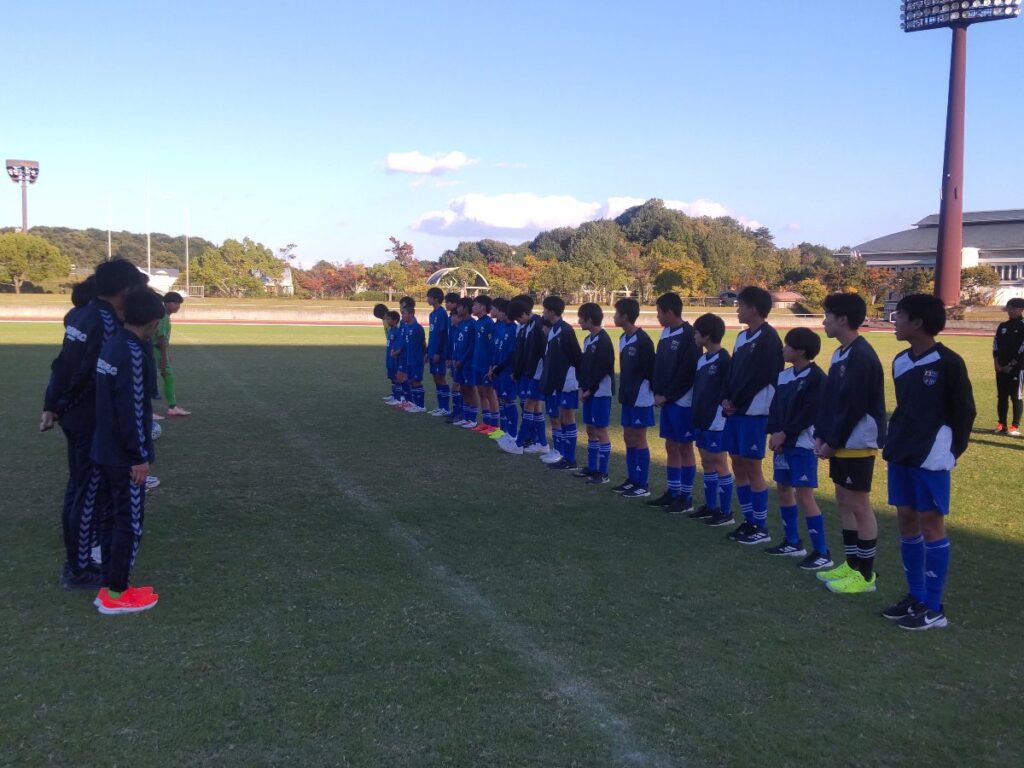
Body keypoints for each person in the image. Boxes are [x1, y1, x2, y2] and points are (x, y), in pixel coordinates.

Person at [41, 259, 148, 591]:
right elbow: (90, 377)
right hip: (89, 422)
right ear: (125, 290)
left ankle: (79, 559)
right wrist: (62, 405)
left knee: (77, 489)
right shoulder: (106, 324)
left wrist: (52, 405)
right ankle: (79, 568)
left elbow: (62, 364)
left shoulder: (81, 314)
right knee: (88, 494)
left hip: (74, 418)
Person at [882, 293, 976, 630]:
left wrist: (950, 451)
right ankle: (916, 596)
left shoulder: (949, 362)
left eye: (900, 315)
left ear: (918, 323)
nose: (895, 321)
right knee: (906, 519)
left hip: (931, 457)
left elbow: (965, 412)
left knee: (931, 524)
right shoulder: (900, 360)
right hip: (901, 452)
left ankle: (934, 608)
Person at [91, 288, 166, 614]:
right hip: (123, 456)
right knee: (129, 523)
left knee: (111, 520)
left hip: (105, 449)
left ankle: (110, 585)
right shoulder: (133, 353)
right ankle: (117, 593)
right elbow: (132, 409)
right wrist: (138, 457)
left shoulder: (112, 344)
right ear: (153, 322)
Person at [814, 292, 888, 594]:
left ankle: (866, 575)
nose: (824, 322)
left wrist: (832, 441)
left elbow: (853, 407)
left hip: (856, 441)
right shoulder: (840, 353)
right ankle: (852, 563)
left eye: (828, 316)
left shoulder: (862, 355)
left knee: (859, 504)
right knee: (843, 500)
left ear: (843, 319)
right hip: (838, 439)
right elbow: (830, 400)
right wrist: (821, 434)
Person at [722, 286, 784, 544]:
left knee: (752, 466)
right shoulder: (741, 337)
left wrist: (737, 402)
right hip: (734, 411)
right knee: (737, 462)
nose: (737, 310)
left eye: (741, 305)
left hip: (754, 413)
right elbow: (732, 371)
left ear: (754, 309)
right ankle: (748, 521)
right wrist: (725, 398)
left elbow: (761, 378)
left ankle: (761, 527)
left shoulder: (769, 339)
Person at [765, 328, 830, 567]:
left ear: (801, 351)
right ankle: (792, 542)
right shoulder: (783, 376)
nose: (783, 349)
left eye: (788, 346)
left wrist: (785, 434)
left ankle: (822, 552)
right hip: (782, 444)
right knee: (783, 489)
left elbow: (809, 413)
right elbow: (775, 407)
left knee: (804, 495)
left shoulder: (816, 378)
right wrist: (774, 432)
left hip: (802, 445)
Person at [648, 292, 701, 514]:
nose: (657, 316)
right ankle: (673, 491)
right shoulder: (666, 332)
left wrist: (668, 395)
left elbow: (688, 373)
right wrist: (657, 391)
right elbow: (660, 365)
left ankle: (686, 498)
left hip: (682, 401)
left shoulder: (689, 335)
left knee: (684, 447)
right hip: (666, 400)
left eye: (659, 312)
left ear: (669, 312)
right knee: (671, 446)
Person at [690, 313, 734, 526]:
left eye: (697, 332)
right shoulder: (702, 359)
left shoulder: (724, 360)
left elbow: (728, 390)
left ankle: (726, 512)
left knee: (719, 463)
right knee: (706, 461)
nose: (694, 336)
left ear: (706, 335)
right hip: (700, 417)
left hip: (716, 420)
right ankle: (710, 506)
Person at [613, 297, 656, 498]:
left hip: (641, 397)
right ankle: (632, 479)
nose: (614, 317)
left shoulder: (643, 340)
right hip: (628, 396)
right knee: (628, 437)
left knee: (639, 438)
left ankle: (642, 484)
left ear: (625, 316)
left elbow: (651, 371)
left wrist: (650, 393)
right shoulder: (623, 338)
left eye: (616, 313)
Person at [538, 296, 582, 470]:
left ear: (551, 312)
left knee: (567, 417)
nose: (543, 313)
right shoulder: (554, 330)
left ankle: (570, 460)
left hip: (567, 381)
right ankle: (563, 455)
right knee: (560, 418)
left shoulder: (565, 330)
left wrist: (576, 380)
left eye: (544, 310)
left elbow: (576, 356)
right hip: (556, 381)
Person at [575, 302, 614, 484]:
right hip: (589, 391)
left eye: (581, 318)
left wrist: (590, 389)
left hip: (600, 392)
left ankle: (603, 473)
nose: (579, 322)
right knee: (590, 429)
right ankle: (592, 468)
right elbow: (585, 367)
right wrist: (583, 387)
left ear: (589, 319)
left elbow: (603, 367)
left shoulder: (603, 340)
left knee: (600, 430)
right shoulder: (588, 339)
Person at [153, 291, 191, 418]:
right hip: (155, 351)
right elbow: (161, 337)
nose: (178, 306)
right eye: (175, 303)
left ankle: (172, 407)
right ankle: (147, 411)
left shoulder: (165, 315)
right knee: (150, 380)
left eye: (179, 304)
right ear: (166, 303)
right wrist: (164, 357)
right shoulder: (163, 316)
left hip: (159, 351)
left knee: (169, 377)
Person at [992, 297, 1024, 436]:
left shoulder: (1022, 326)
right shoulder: (1003, 326)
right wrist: (997, 363)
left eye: (1013, 308)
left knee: (1016, 397)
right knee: (1002, 396)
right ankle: (1002, 424)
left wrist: (1011, 365)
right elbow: (995, 345)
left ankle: (1014, 426)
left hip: (1017, 368)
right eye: (1008, 308)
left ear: (1021, 309)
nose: (1009, 311)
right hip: (1000, 368)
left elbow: (1023, 349)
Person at [487, 297, 518, 441]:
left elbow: (511, 354)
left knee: (509, 401)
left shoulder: (513, 329)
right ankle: (503, 430)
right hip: (497, 369)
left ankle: (512, 433)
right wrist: (492, 365)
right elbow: (496, 349)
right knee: (501, 400)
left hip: (506, 371)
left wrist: (498, 368)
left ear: (505, 312)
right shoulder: (501, 327)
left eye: (498, 311)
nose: (497, 313)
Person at [470, 295, 499, 433]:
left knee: (489, 393)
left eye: (475, 305)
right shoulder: (478, 323)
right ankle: (486, 422)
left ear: (482, 307)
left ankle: (495, 425)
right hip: (477, 363)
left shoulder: (488, 323)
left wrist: (491, 365)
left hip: (486, 365)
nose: (473, 308)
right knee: (481, 392)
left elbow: (492, 346)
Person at [394, 297, 426, 413]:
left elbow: (423, 343)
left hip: (416, 360)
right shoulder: (407, 327)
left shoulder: (417, 328)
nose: (402, 316)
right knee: (411, 381)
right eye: (401, 313)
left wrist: (424, 355)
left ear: (411, 314)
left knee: (416, 381)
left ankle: (421, 406)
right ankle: (413, 403)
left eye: (404, 313)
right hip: (409, 359)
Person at [425, 287, 451, 417]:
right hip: (432, 351)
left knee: (441, 378)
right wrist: (428, 351)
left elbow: (442, 334)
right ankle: (440, 406)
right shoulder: (432, 314)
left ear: (435, 298)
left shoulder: (441, 313)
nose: (427, 299)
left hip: (439, 353)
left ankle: (445, 408)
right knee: (436, 378)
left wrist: (438, 352)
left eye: (429, 297)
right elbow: (432, 334)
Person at [451, 298, 478, 427]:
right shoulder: (461, 324)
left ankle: (473, 419)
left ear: (466, 308)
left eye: (459, 307)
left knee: (470, 389)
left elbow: (472, 346)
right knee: (463, 389)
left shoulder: (473, 324)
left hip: (468, 363)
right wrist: (455, 358)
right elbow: (458, 344)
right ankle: (466, 417)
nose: (457, 309)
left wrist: (462, 360)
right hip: (459, 363)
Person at [443, 292, 462, 423]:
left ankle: (460, 413)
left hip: (462, 361)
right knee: (456, 386)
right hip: (455, 359)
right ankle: (456, 411)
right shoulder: (452, 322)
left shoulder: (463, 324)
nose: (446, 304)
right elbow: (451, 342)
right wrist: (449, 357)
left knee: (459, 387)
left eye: (448, 302)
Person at [383, 311, 402, 404]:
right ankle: (394, 395)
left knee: (396, 377)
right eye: (387, 319)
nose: (387, 321)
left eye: (389, 319)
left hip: (394, 358)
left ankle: (398, 398)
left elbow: (398, 345)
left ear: (395, 320)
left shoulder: (397, 331)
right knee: (392, 377)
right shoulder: (390, 330)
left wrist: (395, 353)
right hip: (389, 358)